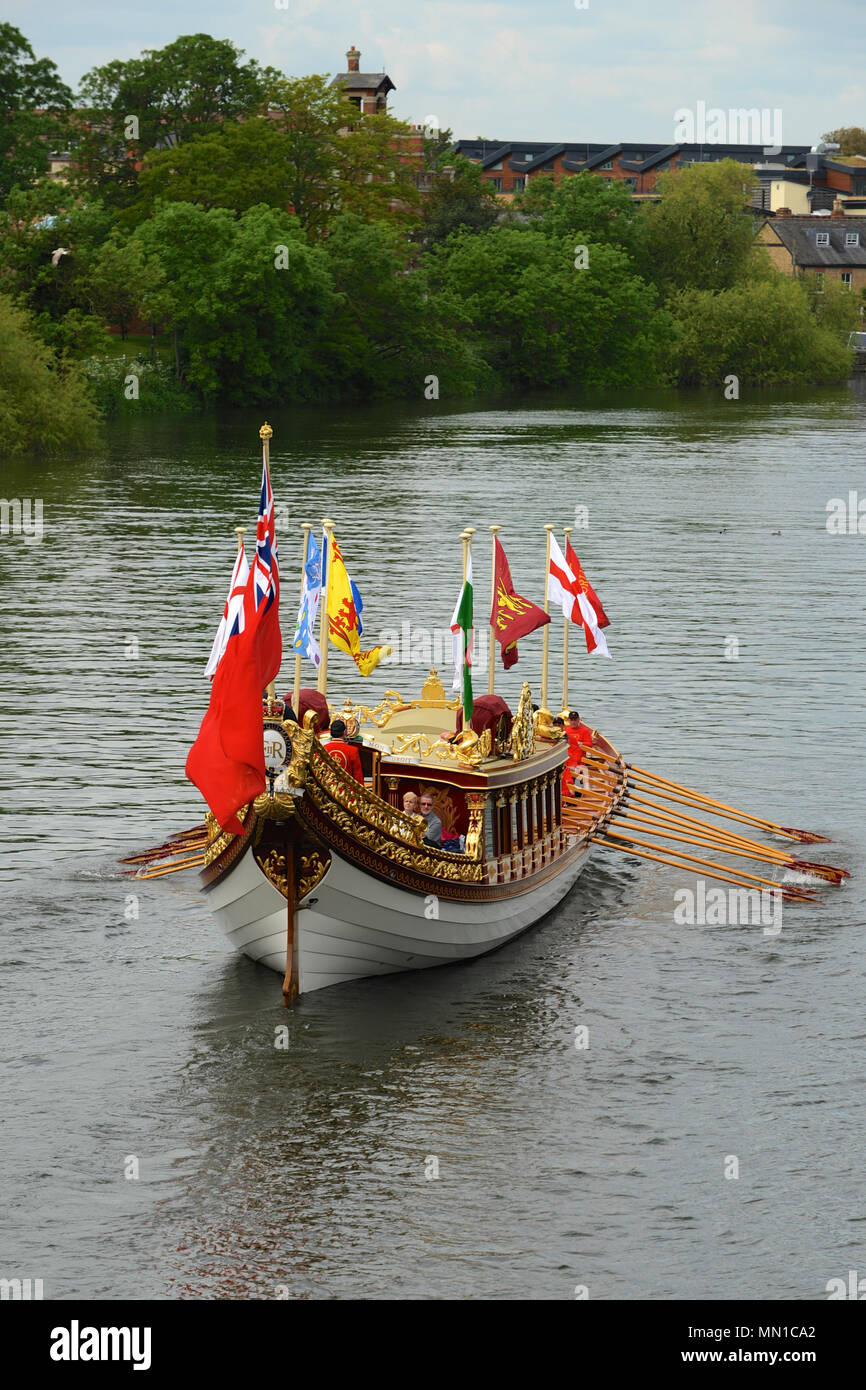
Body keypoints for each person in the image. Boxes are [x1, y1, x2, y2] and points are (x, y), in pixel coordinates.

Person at [562, 710, 594, 799]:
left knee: (578, 787)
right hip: (568, 763)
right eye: (571, 720)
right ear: (568, 720)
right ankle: (568, 798)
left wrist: (580, 744)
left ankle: (578, 797)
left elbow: (590, 745)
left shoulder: (585, 731)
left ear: (579, 720)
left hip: (580, 763)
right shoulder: (565, 731)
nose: (573, 722)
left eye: (575, 720)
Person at [325, 718, 364, 783]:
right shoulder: (353, 751)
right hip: (347, 791)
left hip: (326, 790)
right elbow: (358, 777)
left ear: (331, 733)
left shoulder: (323, 749)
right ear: (344, 732)